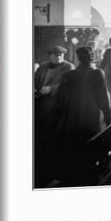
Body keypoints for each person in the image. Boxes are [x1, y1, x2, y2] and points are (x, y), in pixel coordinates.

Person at [52, 46, 111, 186]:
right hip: (91, 116)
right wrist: (108, 116)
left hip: (72, 117)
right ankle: (91, 175)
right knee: (91, 143)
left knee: (75, 145)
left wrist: (58, 117)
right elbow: (103, 98)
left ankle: (75, 176)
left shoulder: (69, 75)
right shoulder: (97, 73)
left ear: (77, 58)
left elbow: (60, 99)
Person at [33, 45, 74, 187]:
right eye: (55, 55)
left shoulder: (69, 67)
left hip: (57, 107)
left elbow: (68, 86)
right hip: (40, 105)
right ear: (49, 55)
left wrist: (51, 89)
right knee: (41, 137)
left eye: (60, 55)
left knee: (54, 138)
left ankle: (53, 171)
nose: (58, 57)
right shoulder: (42, 67)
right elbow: (36, 80)